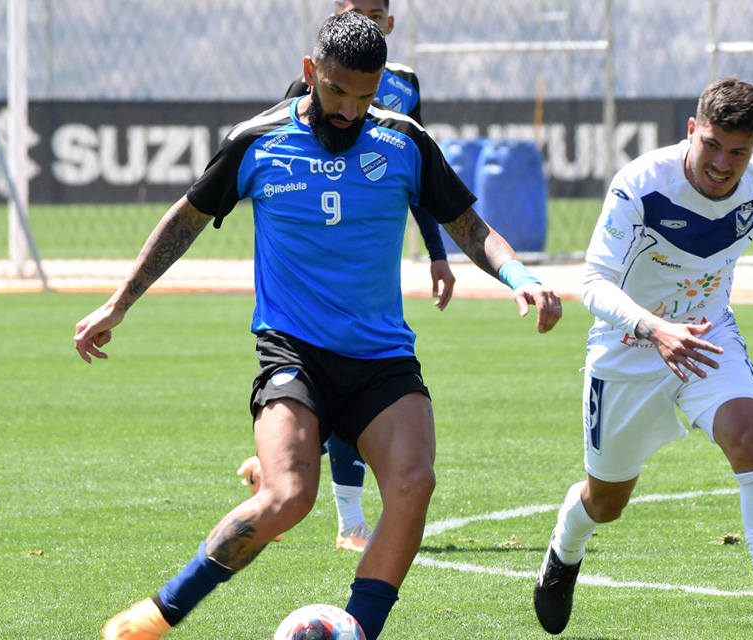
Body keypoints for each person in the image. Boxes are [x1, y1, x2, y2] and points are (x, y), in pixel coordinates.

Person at [78, 12, 563, 640]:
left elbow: (469, 227)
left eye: (365, 96)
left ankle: (356, 629)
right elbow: (187, 219)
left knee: (414, 483)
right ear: (310, 74)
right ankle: (158, 614)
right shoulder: (258, 141)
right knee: (288, 500)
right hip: (294, 353)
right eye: (337, 92)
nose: (349, 110)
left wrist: (521, 278)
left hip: (380, 359)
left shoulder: (404, 141)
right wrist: (119, 302)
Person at [532, 77, 753, 640]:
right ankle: (566, 543)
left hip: (709, 335)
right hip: (628, 346)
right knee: (606, 502)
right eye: (713, 145)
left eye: (739, 151)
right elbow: (593, 284)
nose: (723, 163)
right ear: (692, 130)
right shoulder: (641, 184)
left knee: (749, 435)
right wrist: (654, 328)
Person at [235, 0, 451, 556]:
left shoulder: (404, 90)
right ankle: (345, 516)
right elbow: (293, 158)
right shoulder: (302, 97)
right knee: (330, 385)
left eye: (376, 11)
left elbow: (424, 177)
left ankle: (283, 473)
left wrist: (436, 251)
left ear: (390, 23)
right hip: (311, 290)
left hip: (370, 281)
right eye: (356, 9)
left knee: (363, 394)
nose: (351, 108)